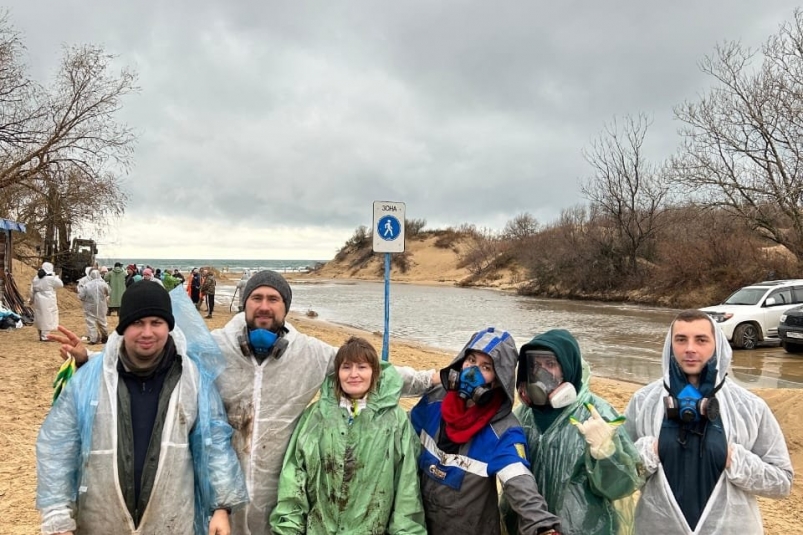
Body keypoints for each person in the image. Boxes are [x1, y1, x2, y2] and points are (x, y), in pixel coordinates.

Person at [51, 269, 436, 535]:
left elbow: (369, 369)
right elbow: (153, 355)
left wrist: (433, 378)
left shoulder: (311, 355)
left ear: (285, 308)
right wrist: (92, 363)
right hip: (215, 497)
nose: (264, 306)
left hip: (275, 498)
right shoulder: (212, 347)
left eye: (273, 299)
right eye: (256, 298)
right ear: (245, 304)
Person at [37, 280, 248, 535]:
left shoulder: (192, 378)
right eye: (137, 323)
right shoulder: (89, 379)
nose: (147, 333)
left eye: (156, 323)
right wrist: (58, 517)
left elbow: (214, 442)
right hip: (100, 521)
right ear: (123, 328)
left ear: (168, 327)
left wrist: (221, 507)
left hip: (171, 521)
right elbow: (59, 447)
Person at [624, 309, 794, 533]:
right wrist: (646, 454)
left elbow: (782, 482)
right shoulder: (643, 403)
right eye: (681, 339)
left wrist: (735, 460)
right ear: (670, 345)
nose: (690, 349)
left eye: (701, 340)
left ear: (718, 345)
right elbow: (617, 479)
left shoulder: (749, 407)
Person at [410, 327, 561, 535]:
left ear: (499, 378)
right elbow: (399, 439)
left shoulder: (504, 431)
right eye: (471, 360)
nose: (472, 372)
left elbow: (520, 484)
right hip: (419, 526)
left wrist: (543, 527)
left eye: (485, 367)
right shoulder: (434, 401)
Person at [270, 337, 426, 534]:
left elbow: (407, 486)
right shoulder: (317, 415)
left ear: (374, 373)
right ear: (337, 373)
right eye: (346, 367)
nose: (354, 375)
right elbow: (294, 475)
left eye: (362, 367)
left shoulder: (395, 421)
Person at [502, 329, 643, 535]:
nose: (541, 373)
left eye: (550, 364)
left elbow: (621, 488)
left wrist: (606, 454)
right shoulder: (523, 416)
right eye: (535, 365)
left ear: (568, 367)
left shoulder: (596, 414)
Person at [29, 261, 63, 341]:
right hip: (48, 299)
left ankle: (41, 334)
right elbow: (61, 284)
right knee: (47, 317)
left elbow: (32, 290)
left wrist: (31, 299)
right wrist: (55, 276)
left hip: (38, 299)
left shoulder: (36, 278)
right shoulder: (51, 278)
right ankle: (45, 336)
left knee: (40, 316)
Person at [77, 269, 110, 345]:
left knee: (91, 322)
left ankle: (94, 339)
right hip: (102, 306)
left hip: (90, 306)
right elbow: (108, 293)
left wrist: (85, 299)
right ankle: (105, 337)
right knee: (102, 321)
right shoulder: (104, 284)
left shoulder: (87, 285)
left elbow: (81, 296)